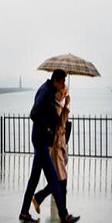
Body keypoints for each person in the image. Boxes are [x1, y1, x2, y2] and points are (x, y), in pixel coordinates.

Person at [19, 69, 79, 223]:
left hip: (42, 141)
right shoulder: (45, 92)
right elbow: (34, 113)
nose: (64, 85)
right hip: (40, 140)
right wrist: (46, 128)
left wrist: (65, 104)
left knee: (34, 178)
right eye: (63, 82)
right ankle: (64, 216)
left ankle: (24, 212)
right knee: (53, 178)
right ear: (57, 81)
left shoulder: (49, 91)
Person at [33, 85, 70, 214]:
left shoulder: (59, 105)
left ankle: (39, 198)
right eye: (63, 92)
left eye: (66, 93)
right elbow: (59, 124)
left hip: (59, 146)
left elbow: (62, 122)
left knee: (59, 180)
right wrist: (65, 108)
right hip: (55, 147)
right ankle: (63, 214)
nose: (64, 95)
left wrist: (66, 106)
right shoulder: (54, 106)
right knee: (61, 180)